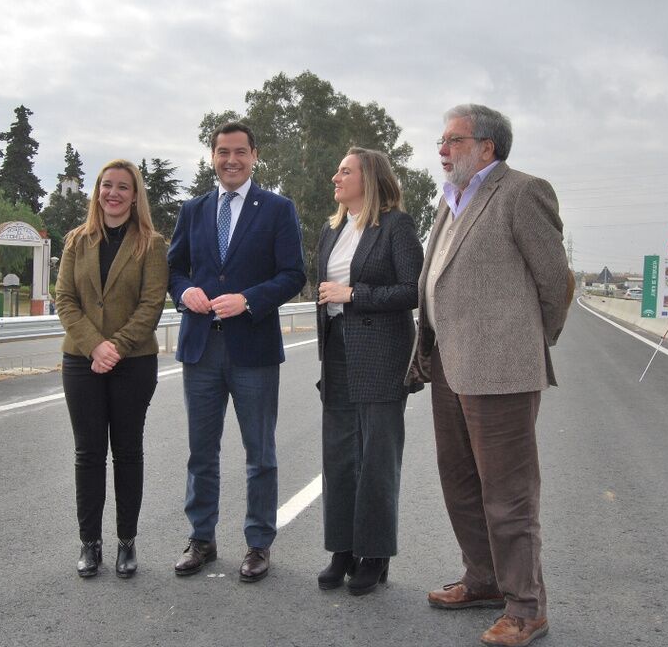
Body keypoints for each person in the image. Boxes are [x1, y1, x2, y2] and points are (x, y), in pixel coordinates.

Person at [407, 105, 574, 647]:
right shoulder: (451, 199)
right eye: (441, 140)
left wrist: (526, 341)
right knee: (459, 483)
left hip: (501, 370)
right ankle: (482, 580)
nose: (441, 149)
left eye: (452, 140)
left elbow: (556, 280)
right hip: (448, 367)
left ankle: (527, 608)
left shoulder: (523, 192)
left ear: (487, 146)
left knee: (509, 494)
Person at [167, 120, 306, 583]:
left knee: (260, 454)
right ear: (212, 157)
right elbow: (174, 271)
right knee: (201, 453)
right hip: (201, 347)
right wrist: (184, 291)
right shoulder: (193, 210)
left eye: (240, 152)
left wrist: (249, 299)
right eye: (223, 152)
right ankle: (201, 538)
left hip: (254, 350)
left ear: (254, 156)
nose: (231, 160)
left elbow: (293, 275)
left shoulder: (278, 209)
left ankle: (258, 543)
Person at [314, 147, 423, 595]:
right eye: (336, 171)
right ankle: (342, 549)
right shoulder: (331, 229)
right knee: (339, 456)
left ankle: (374, 555)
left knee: (376, 458)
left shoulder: (395, 226)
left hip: (380, 354)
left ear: (369, 177)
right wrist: (340, 296)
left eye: (345, 171)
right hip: (337, 351)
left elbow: (411, 290)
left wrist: (353, 294)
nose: (336, 178)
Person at [55, 159, 168, 579]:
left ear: (135, 195)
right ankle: (90, 544)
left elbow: (151, 305)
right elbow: (64, 299)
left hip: (133, 363)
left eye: (123, 186)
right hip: (81, 362)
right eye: (107, 185)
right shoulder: (76, 241)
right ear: (97, 191)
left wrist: (114, 348)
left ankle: (126, 541)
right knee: (88, 454)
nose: (114, 193)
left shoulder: (151, 244)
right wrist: (93, 346)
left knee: (127, 452)